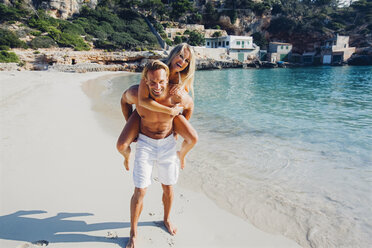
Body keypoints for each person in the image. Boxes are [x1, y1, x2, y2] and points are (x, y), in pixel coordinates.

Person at [121, 60, 194, 248]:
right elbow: (123, 100)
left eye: (161, 81)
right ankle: (134, 233)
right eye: (152, 82)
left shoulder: (174, 94)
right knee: (140, 191)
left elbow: (189, 105)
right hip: (145, 143)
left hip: (168, 144)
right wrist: (131, 123)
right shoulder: (136, 94)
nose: (157, 86)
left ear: (167, 79)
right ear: (145, 80)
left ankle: (167, 219)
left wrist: (178, 129)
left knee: (168, 188)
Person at [117, 43, 197, 171]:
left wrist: (175, 131)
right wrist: (131, 124)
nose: (182, 62)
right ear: (173, 54)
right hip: (146, 109)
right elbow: (143, 101)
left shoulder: (182, 79)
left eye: (187, 60)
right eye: (181, 56)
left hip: (166, 116)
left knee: (193, 139)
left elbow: (188, 105)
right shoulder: (154, 69)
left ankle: (181, 155)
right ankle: (127, 157)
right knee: (121, 146)